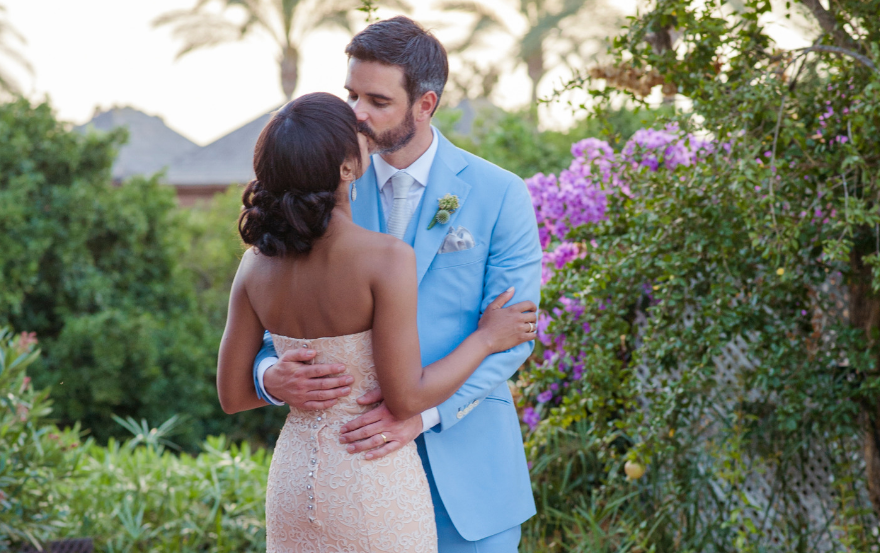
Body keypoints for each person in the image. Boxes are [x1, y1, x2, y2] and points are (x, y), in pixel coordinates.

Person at [251, 17, 543, 553]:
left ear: (425, 104)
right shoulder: (322, 191)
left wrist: (419, 415)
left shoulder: (500, 193)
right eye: (351, 94)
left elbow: (513, 335)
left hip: (471, 481)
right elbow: (276, 318)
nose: (356, 114)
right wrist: (270, 376)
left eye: (377, 101)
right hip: (354, 476)